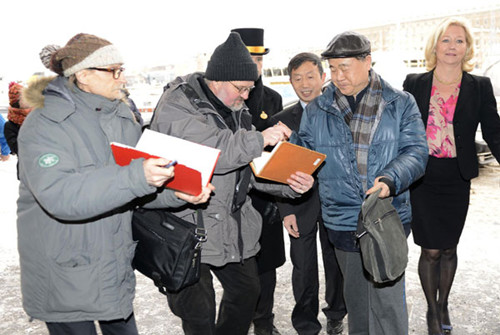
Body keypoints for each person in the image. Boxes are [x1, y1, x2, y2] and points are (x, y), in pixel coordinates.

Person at [16, 33, 213, 335]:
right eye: (114, 71)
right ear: (83, 74)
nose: (122, 79)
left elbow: (135, 191)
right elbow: (60, 196)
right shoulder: (46, 123)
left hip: (111, 264)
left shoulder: (120, 117)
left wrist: (180, 192)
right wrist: (139, 176)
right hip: (63, 271)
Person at [149, 32, 314, 335]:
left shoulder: (238, 109)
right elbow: (214, 150)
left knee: (246, 294)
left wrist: (289, 185)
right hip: (188, 227)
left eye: (250, 89)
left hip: (231, 226)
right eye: (242, 88)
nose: (247, 96)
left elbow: (250, 168)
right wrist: (260, 138)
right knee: (198, 313)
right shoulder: (178, 105)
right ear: (219, 80)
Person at [289, 31, 428, 334]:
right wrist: (291, 167)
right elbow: (306, 156)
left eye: (345, 67)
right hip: (341, 218)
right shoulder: (317, 109)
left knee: (388, 302)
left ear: (367, 61)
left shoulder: (400, 103)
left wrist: (391, 179)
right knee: (356, 302)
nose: (338, 76)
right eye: (334, 69)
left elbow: (416, 151)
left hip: (384, 214)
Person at [403, 17, 500, 335]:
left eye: (459, 40)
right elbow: (398, 129)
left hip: (457, 177)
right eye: (446, 40)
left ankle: (444, 302)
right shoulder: (414, 82)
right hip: (422, 176)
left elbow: (494, 131)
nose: (452, 46)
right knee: (429, 249)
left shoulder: (479, 86)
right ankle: (432, 310)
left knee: (448, 248)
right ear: (435, 45)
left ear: (468, 48)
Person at [270, 52, 347, 335]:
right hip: (298, 204)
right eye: (297, 78)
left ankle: (337, 312)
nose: (305, 84)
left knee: (336, 261)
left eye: (310, 76)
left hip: (335, 202)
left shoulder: (340, 111)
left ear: (323, 77)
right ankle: (305, 323)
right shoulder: (282, 120)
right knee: (303, 268)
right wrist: (285, 210)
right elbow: (277, 172)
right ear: (290, 81)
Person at [231, 27, 284, 335]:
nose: (255, 64)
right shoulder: (218, 100)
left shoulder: (273, 99)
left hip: (265, 197)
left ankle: (264, 322)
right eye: (249, 58)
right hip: (228, 198)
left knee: (266, 267)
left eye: (259, 58)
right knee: (235, 269)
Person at [3, 82, 32, 159]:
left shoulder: (38, 115)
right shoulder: (10, 126)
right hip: (27, 166)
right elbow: (18, 149)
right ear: (17, 102)